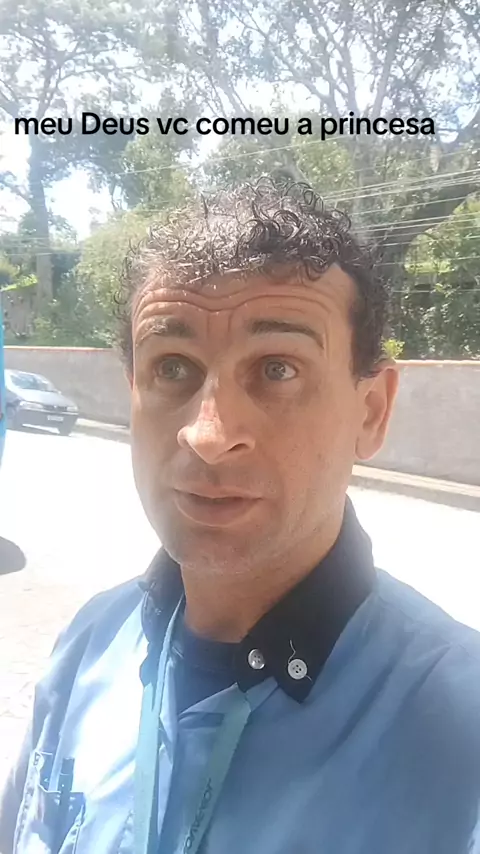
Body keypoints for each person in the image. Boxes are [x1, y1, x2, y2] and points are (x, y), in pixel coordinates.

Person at [1, 179, 479, 854]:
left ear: (371, 413)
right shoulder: (89, 646)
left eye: (278, 369)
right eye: (173, 367)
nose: (208, 434)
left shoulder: (460, 731)